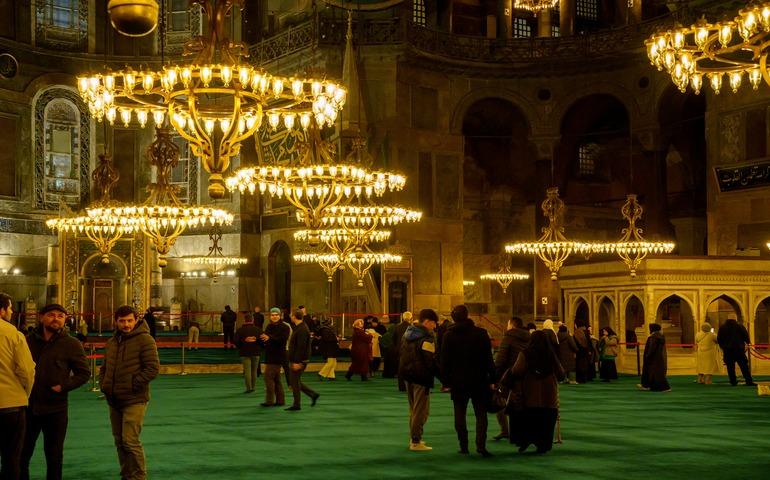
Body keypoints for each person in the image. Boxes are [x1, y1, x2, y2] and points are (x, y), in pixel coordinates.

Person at [21, 303, 89, 480]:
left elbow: (84, 374)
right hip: (28, 408)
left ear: (65, 319)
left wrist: (63, 386)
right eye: (51, 315)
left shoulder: (71, 344)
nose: (56, 319)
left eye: (60, 316)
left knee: (54, 457)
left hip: (56, 409)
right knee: (22, 455)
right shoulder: (26, 341)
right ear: (41, 317)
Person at [99, 305, 159, 480]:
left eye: (129, 320)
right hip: (113, 399)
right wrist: (105, 385)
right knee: (119, 442)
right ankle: (127, 475)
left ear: (136, 320)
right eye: (122, 321)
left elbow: (153, 368)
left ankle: (139, 476)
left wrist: (133, 384)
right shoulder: (111, 343)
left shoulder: (145, 340)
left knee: (130, 441)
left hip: (135, 398)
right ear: (116, 322)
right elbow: (105, 367)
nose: (126, 324)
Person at [440, 305, 495, 457]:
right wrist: (493, 378)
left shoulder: (448, 335)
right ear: (467, 315)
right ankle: (481, 446)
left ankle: (463, 445)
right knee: (481, 415)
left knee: (459, 415)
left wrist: (446, 382)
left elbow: (444, 361)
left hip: (458, 382)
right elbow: (488, 359)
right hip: (479, 380)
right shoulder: (481, 334)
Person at [510, 330, 565, 454]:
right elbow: (561, 374)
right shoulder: (551, 354)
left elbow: (516, 371)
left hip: (530, 393)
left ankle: (526, 440)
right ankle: (543, 444)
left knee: (529, 418)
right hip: (548, 394)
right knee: (546, 420)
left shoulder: (525, 353)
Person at [0, 292, 35, 480]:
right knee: (11, 458)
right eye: (10, 307)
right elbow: (27, 371)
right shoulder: (13, 333)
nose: (12, 311)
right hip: (10, 405)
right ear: (2, 310)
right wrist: (24, 394)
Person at [399, 308, 439, 452]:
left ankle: (414, 438)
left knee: (413, 409)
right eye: (434, 323)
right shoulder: (426, 337)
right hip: (421, 377)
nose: (435, 326)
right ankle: (415, 440)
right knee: (421, 411)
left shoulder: (407, 333)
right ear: (427, 322)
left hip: (407, 376)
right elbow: (430, 361)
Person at [492, 316, 530, 442]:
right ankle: (523, 432)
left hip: (509, 375)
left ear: (512, 326)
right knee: (522, 404)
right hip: (526, 376)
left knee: (501, 402)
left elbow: (500, 359)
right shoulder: (529, 338)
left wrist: (495, 377)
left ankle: (505, 430)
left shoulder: (508, 337)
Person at [285, 310, 319, 411]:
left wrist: (297, 362)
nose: (290, 317)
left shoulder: (302, 329)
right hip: (298, 359)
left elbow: (301, 347)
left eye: (291, 315)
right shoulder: (299, 327)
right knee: (295, 381)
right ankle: (313, 394)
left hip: (299, 360)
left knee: (294, 382)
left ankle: (297, 405)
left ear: (295, 317)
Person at [258, 308, 291, 407]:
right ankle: (280, 401)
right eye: (272, 315)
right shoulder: (269, 326)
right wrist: (259, 340)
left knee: (268, 378)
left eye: (276, 315)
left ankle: (269, 401)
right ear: (270, 316)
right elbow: (266, 339)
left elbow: (282, 340)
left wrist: (270, 338)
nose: (274, 316)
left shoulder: (285, 327)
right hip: (270, 355)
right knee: (276, 380)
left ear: (280, 315)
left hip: (278, 356)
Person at [717, 316, 755, 386]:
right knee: (744, 366)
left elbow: (719, 339)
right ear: (735, 320)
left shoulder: (722, 327)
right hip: (739, 349)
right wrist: (748, 342)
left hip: (728, 350)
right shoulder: (740, 326)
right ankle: (748, 381)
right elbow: (745, 335)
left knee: (730, 366)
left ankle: (733, 381)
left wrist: (723, 347)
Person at [638, 323, 671, 392]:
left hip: (653, 358)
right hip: (658, 358)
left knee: (655, 373)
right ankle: (648, 385)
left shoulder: (653, 337)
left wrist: (647, 356)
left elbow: (651, 348)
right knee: (656, 373)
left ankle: (663, 387)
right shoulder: (660, 336)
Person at [235, 313, 261, 393]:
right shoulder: (258, 329)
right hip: (256, 352)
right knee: (254, 371)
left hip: (244, 352)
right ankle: (253, 387)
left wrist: (242, 344)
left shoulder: (239, 330)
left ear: (244, 320)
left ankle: (248, 388)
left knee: (247, 371)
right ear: (253, 320)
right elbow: (263, 341)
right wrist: (256, 341)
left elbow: (235, 341)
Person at [393, 312, 412, 391]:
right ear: (410, 318)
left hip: (399, 349)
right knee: (409, 369)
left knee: (400, 369)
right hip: (409, 350)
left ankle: (401, 387)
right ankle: (408, 386)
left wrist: (397, 347)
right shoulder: (411, 327)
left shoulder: (397, 327)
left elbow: (393, 338)